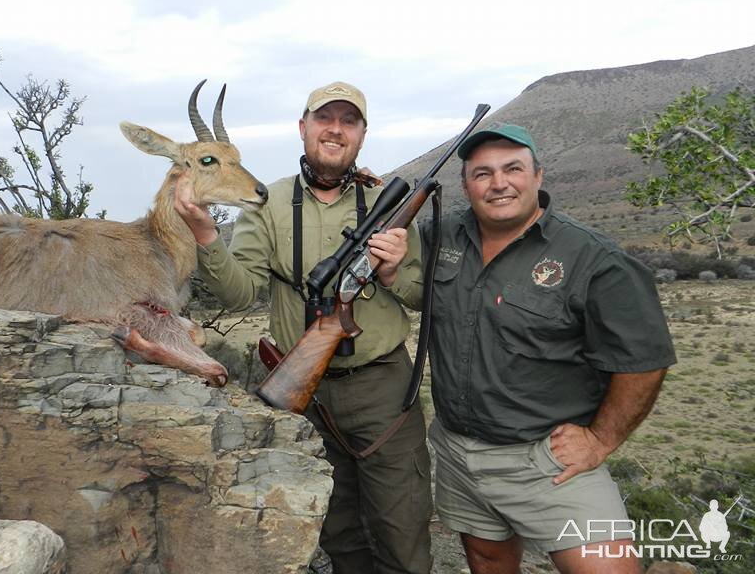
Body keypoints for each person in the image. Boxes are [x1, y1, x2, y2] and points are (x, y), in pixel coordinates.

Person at [174, 82, 433, 574]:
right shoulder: (266, 203)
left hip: (383, 389)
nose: (335, 129)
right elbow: (240, 293)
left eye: (348, 121)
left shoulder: (388, 202)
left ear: (361, 135)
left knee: (403, 531)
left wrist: (395, 272)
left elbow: (423, 295)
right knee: (337, 533)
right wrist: (207, 237)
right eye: (324, 119)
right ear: (303, 128)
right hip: (303, 395)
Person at [410, 124, 675, 574]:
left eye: (513, 168)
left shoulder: (596, 260)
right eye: (483, 173)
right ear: (465, 185)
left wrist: (601, 439)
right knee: (487, 558)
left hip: (547, 462)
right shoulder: (442, 235)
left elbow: (644, 361)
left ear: (538, 175)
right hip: (456, 451)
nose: (499, 183)